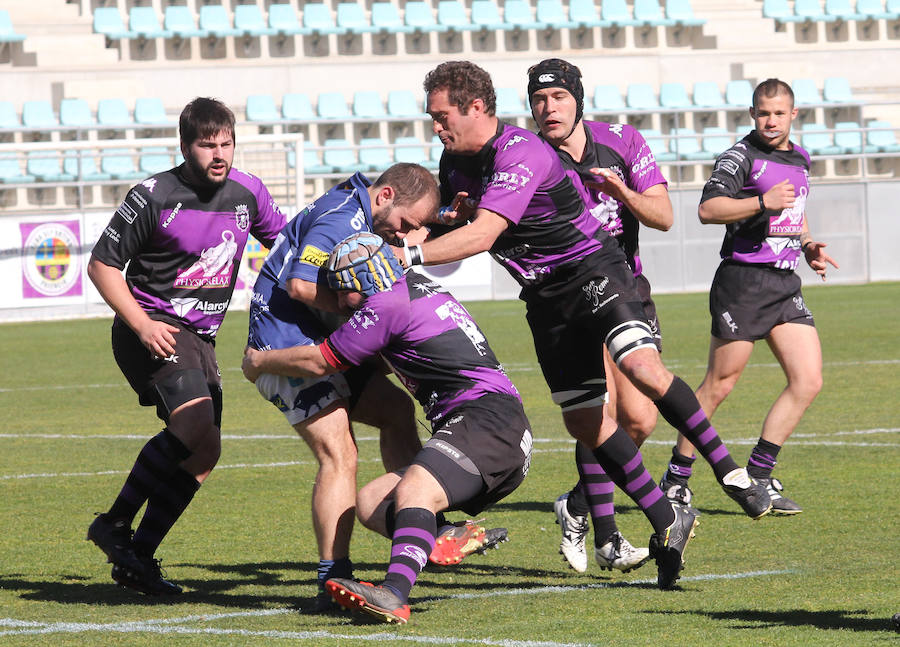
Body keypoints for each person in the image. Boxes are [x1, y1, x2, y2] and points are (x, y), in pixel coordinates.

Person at [397, 60, 777, 589]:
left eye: (441, 116)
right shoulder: (455, 163)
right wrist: (440, 222)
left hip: (592, 269)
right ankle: (667, 518)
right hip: (545, 298)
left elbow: (484, 236)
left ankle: (730, 473)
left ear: (476, 107)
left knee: (642, 368)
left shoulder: (520, 151)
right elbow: (466, 223)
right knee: (586, 422)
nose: (435, 127)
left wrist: (409, 257)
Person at [246, 163, 504, 611]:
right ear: (383, 196)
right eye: (407, 223)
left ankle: (429, 523)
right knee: (339, 452)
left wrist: (442, 218)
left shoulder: (367, 209)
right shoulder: (340, 218)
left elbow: (402, 230)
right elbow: (301, 286)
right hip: (284, 340)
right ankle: (333, 576)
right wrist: (363, 315)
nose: (407, 233)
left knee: (397, 412)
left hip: (325, 336)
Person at [86, 97, 287, 595]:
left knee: (205, 450)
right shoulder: (153, 196)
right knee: (195, 423)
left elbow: (286, 244)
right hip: (152, 327)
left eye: (226, 143)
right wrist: (140, 324)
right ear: (185, 146)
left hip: (201, 338)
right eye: (207, 145)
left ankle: (137, 557)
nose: (219, 154)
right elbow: (102, 265)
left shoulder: (249, 192)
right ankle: (113, 523)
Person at [658, 78, 839, 515]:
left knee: (808, 380)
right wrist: (761, 203)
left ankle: (760, 475)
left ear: (794, 115)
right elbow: (707, 209)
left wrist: (809, 245)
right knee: (719, 386)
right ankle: (676, 478)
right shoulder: (739, 157)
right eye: (763, 112)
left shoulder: (800, 158)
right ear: (752, 114)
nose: (770, 120)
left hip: (783, 284)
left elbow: (795, 210)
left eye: (778, 113)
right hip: (742, 284)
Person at [527, 58, 675, 575]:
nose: (549, 108)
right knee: (603, 417)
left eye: (559, 97)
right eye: (540, 100)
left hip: (626, 288)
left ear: (578, 100)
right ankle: (607, 533)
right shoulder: (524, 160)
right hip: (568, 299)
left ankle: (578, 505)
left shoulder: (623, 142)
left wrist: (622, 194)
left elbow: (664, 217)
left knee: (640, 420)